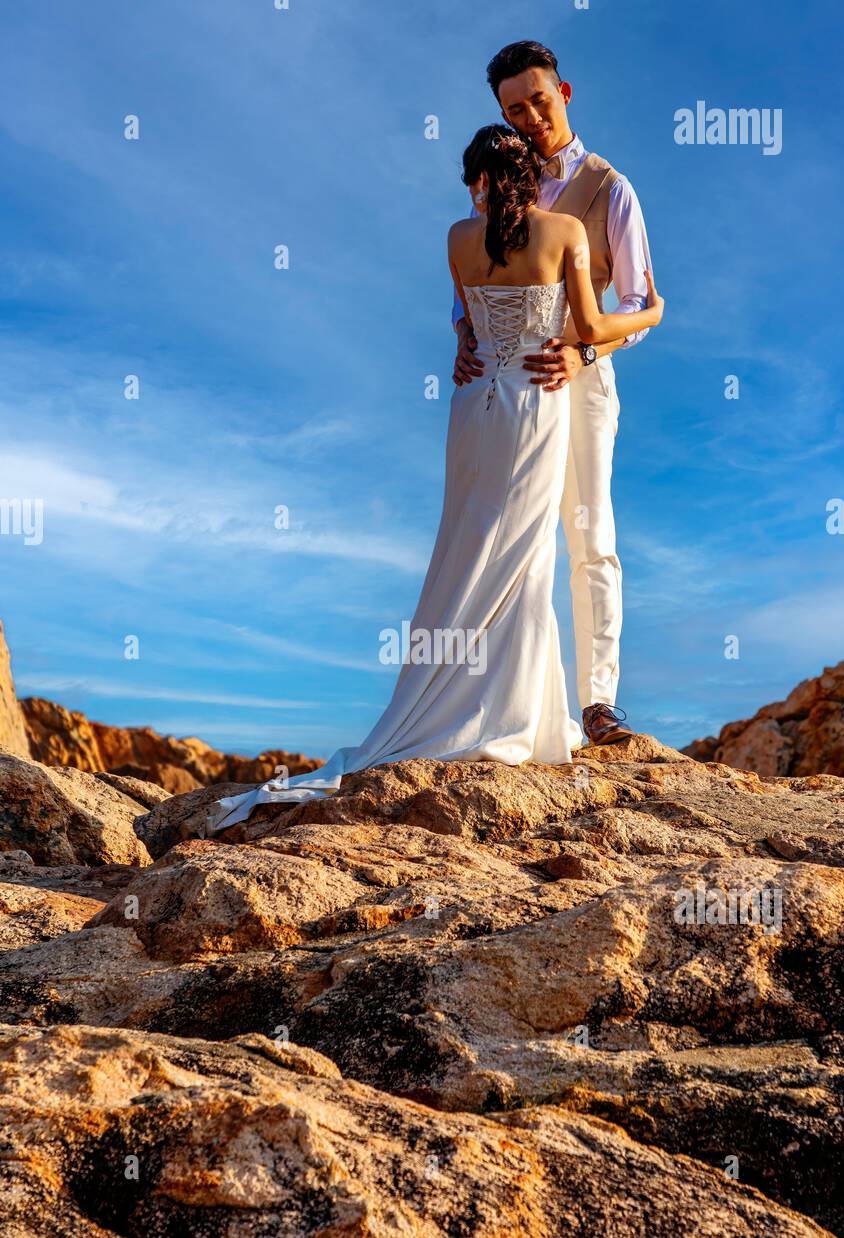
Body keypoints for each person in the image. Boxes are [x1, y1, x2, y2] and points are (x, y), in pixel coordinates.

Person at [206, 126, 662, 834]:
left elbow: (470, 333)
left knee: (465, 545)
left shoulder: (455, 238)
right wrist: (655, 307)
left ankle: (456, 703)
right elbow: (595, 325)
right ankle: (513, 714)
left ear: (478, 181)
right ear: (527, 175)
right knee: (523, 556)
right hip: (535, 402)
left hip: (473, 408)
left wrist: (471, 342)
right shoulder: (567, 228)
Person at [454, 40, 655, 746]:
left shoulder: (610, 188)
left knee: (588, 530)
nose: (531, 116)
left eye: (540, 100)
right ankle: (507, 698)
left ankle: (597, 703)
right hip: (505, 387)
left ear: (564, 93)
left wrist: (585, 345)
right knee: (504, 534)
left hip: (585, 381)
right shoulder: (498, 178)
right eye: (515, 108)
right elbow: (473, 275)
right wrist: (465, 337)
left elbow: (641, 299)